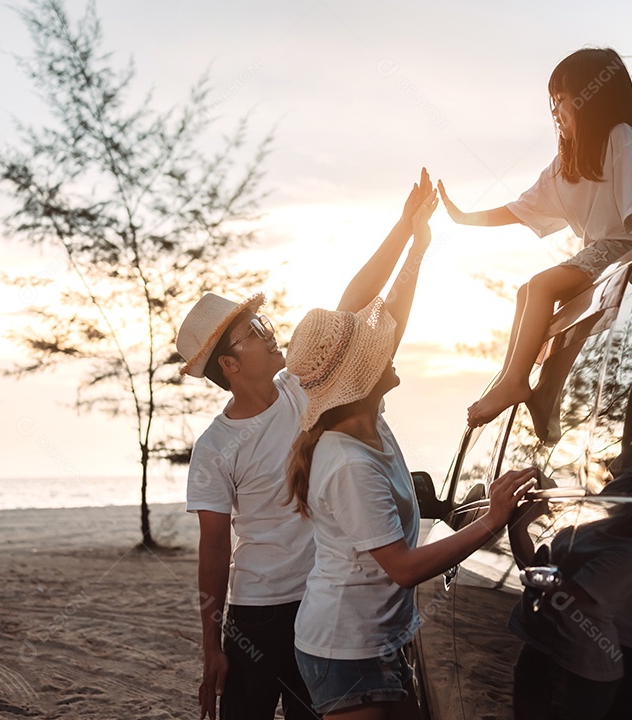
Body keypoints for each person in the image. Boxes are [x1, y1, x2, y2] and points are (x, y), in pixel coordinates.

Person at [177, 169, 436, 720]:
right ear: (229, 364)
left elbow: (353, 302)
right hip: (257, 613)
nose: (272, 333)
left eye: (263, 322)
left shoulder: (302, 389)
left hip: (319, 604)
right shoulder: (215, 447)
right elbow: (214, 552)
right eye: (255, 332)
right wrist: (211, 644)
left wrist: (405, 229)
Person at [284, 187, 536, 719]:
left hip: (376, 639)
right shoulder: (350, 462)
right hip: (343, 648)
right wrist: (493, 520)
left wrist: (417, 243)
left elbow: (389, 310)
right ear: (362, 378)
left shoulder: (368, 420)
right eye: (376, 351)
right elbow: (401, 567)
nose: (389, 346)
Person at [438, 47, 632, 429]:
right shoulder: (567, 165)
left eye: (561, 100)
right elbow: (519, 208)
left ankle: (515, 381)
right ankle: (519, 382)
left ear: (591, 100)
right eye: (553, 102)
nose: (554, 112)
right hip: (606, 255)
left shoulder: (620, 138)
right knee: (526, 294)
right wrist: (464, 217)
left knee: (542, 285)